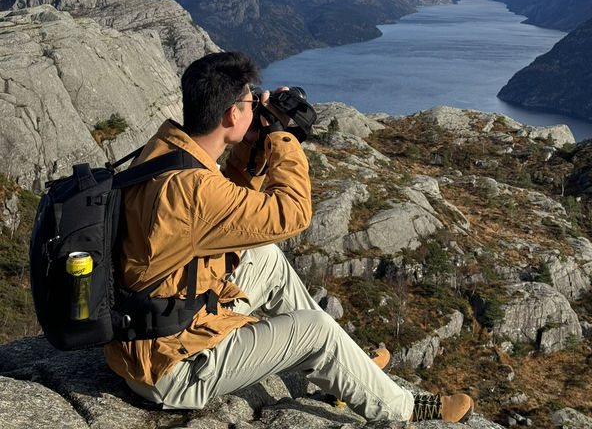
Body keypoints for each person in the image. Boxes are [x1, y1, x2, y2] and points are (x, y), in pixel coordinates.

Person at [104, 51, 474, 423]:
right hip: (173, 368)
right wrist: (280, 136)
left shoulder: (168, 150)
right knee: (317, 332)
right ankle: (406, 410)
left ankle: (349, 370)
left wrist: (250, 144)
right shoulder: (193, 191)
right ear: (232, 114)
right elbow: (293, 213)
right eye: (250, 101)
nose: (254, 106)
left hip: (158, 326)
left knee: (263, 256)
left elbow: (228, 206)